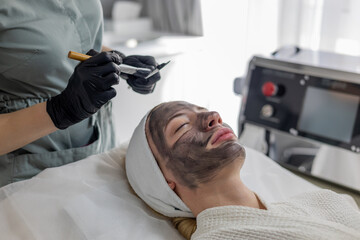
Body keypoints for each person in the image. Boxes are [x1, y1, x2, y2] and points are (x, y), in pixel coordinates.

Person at [125, 101, 360, 240]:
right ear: (166, 180)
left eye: (204, 110)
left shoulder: (323, 201)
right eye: (182, 126)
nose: (213, 117)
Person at [0, 0, 160, 187]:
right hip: (28, 178)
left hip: (99, 148)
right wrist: (60, 111)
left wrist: (121, 62)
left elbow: (66, 39)